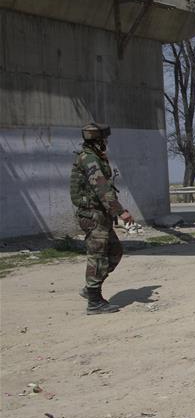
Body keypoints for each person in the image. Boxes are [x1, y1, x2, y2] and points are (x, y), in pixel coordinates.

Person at [69, 122, 135, 315]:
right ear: (98, 140)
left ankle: (90, 289)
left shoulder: (94, 157)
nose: (106, 141)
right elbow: (101, 188)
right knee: (97, 257)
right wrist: (120, 211)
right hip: (93, 215)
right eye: (104, 138)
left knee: (115, 251)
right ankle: (94, 302)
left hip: (100, 215)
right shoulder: (89, 159)